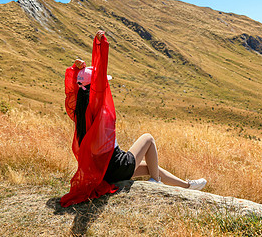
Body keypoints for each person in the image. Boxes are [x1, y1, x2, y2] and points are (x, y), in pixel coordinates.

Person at [60, 31, 206, 207]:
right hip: (116, 166)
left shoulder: (80, 111)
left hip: (102, 171)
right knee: (148, 138)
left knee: (150, 167)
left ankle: (188, 186)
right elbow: (96, 84)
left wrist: (78, 71)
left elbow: (74, 88)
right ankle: (157, 184)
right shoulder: (99, 110)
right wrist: (100, 47)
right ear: (96, 88)